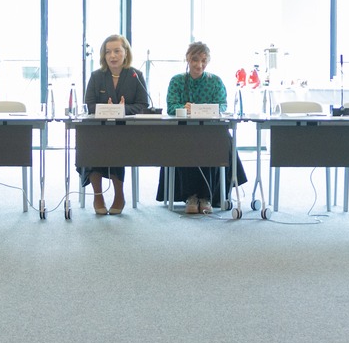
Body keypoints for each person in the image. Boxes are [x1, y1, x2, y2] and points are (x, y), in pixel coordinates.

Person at [158, 42, 246, 214]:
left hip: (211, 130)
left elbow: (222, 106)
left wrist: (201, 109)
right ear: (187, 59)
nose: (199, 65)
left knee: (219, 142)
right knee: (184, 143)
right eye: (195, 60)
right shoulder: (177, 81)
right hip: (184, 130)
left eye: (204, 61)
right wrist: (184, 108)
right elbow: (171, 107)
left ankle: (207, 196)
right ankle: (190, 196)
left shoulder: (215, 81)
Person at [81, 33, 151, 215]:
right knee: (90, 145)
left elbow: (143, 105)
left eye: (117, 51)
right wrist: (107, 109)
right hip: (99, 130)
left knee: (116, 144)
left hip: (125, 131)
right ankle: (98, 196)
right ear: (103, 55)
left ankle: (119, 195)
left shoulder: (135, 75)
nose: (112, 56)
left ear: (125, 53)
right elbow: (89, 105)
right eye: (108, 52)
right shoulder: (96, 76)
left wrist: (122, 110)